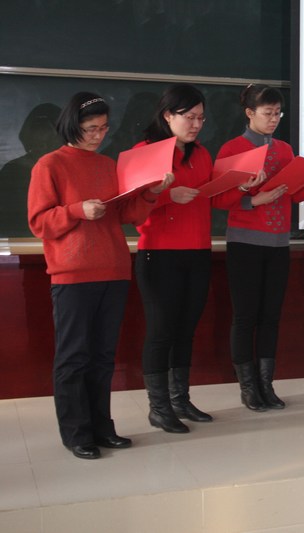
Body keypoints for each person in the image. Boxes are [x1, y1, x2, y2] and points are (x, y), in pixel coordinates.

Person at [27, 92, 172, 459]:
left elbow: (126, 214)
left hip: (114, 269)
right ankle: (77, 433)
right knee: (74, 357)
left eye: (104, 128)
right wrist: (77, 210)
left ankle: (102, 427)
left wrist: (152, 193)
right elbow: (39, 222)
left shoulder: (109, 165)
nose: (98, 135)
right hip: (73, 274)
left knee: (104, 356)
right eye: (91, 128)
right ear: (72, 125)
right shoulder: (49, 165)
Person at [213, 84, 304, 411]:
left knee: (271, 316)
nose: (274, 119)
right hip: (245, 243)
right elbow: (218, 199)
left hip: (279, 243)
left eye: (278, 113)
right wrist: (253, 199)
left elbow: (293, 194)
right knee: (245, 316)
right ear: (249, 113)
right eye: (268, 113)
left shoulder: (284, 149)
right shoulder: (232, 148)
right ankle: (248, 387)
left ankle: (266, 384)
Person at [135, 84, 214, 433]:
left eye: (201, 118)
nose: (196, 124)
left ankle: (180, 399)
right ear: (168, 115)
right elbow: (131, 207)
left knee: (186, 330)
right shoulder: (144, 152)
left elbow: (211, 195)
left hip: (198, 251)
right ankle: (159, 406)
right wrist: (168, 196)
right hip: (159, 253)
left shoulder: (203, 154)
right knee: (161, 331)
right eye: (189, 117)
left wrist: (239, 186)